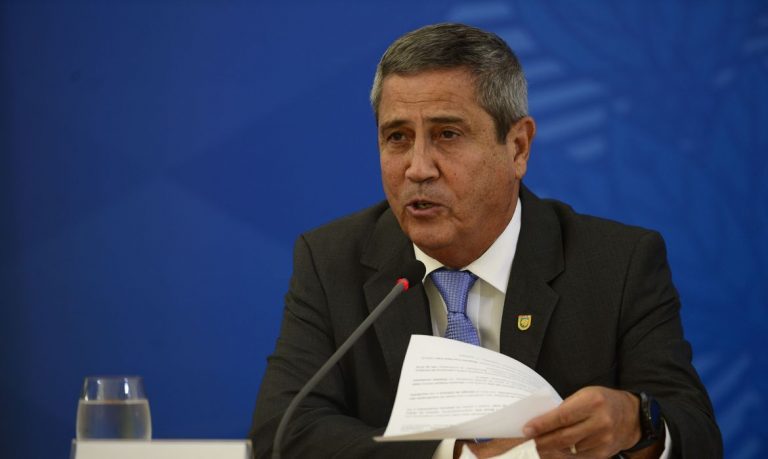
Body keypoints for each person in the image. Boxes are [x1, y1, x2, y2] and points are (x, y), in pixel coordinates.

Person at [250, 23, 721, 458]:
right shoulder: (331, 260)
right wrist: (452, 455)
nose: (418, 168)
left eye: (447, 134)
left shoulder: (618, 264)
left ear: (517, 147)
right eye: (397, 137)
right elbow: (283, 430)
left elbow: (696, 434)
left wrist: (638, 425)